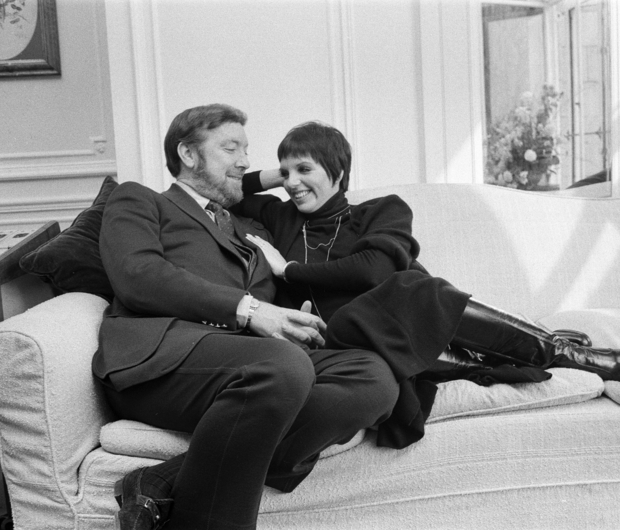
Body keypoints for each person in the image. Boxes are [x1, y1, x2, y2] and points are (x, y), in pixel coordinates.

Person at [234, 120, 620, 447]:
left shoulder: (381, 210)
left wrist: (288, 271)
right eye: (285, 172)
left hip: (404, 329)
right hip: (344, 338)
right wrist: (283, 169)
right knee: (415, 291)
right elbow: (232, 188)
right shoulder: (280, 216)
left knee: (411, 289)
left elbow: (375, 271)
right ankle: (547, 350)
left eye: (304, 169)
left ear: (339, 172)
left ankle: (563, 355)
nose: (291, 182)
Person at [93, 105, 400, 530]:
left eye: (247, 150)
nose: (246, 161)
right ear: (188, 154)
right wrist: (250, 310)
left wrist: (296, 316)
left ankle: (163, 478)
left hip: (257, 363)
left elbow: (290, 282)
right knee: (282, 365)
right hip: (162, 361)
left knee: (373, 378)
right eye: (231, 148)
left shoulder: (251, 227)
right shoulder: (139, 200)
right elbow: (137, 276)